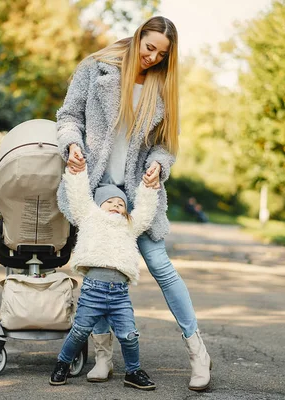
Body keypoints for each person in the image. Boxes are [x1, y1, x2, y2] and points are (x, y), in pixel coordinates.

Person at [55, 16, 212, 391]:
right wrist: (72, 146)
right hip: (96, 186)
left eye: (162, 54)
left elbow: (165, 145)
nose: (153, 57)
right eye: (149, 48)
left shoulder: (161, 87)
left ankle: (198, 352)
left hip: (139, 191)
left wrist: (158, 164)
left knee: (160, 264)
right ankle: (104, 356)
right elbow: (68, 116)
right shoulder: (95, 69)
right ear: (138, 36)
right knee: (101, 264)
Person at [49, 167, 159, 390]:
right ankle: (62, 363)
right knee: (80, 331)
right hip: (93, 290)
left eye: (121, 204)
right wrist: (76, 172)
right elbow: (79, 196)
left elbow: (145, 213)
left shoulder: (129, 224)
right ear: (98, 204)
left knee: (129, 335)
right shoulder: (89, 216)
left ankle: (133, 371)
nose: (116, 206)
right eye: (110, 202)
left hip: (119, 293)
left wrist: (148, 188)